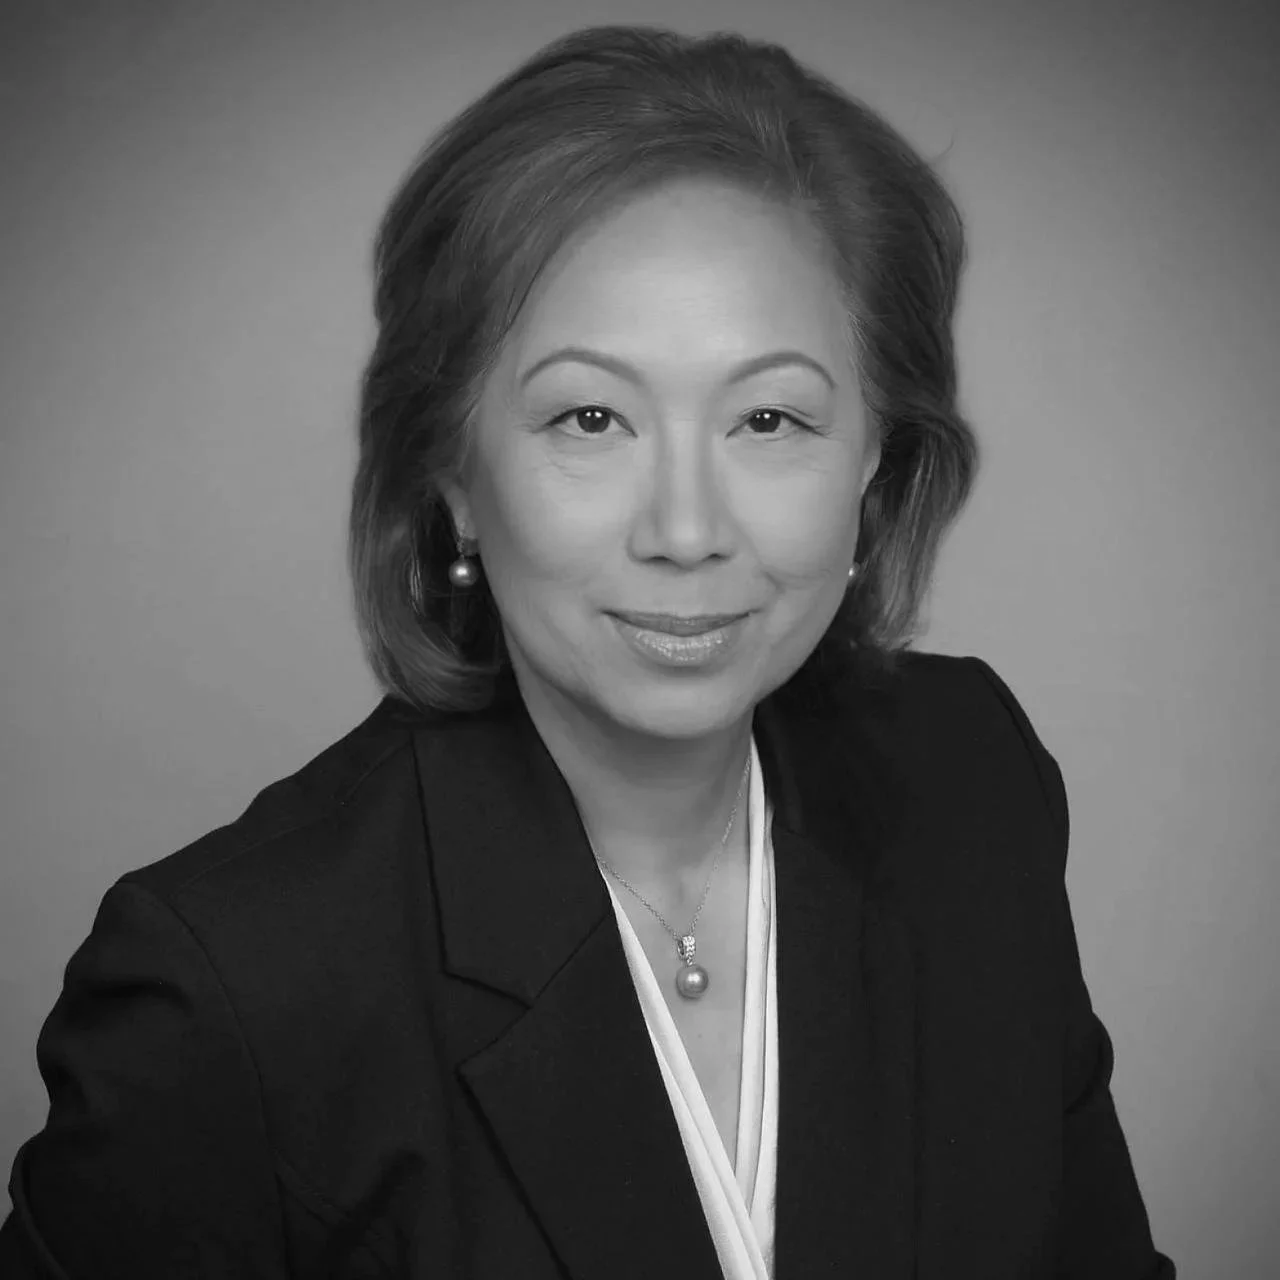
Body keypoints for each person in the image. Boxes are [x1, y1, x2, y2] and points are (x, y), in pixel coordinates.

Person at [0, 22, 1175, 1280]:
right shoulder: (229, 985)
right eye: (590, 416)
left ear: (875, 464)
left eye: (769, 417)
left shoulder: (967, 779)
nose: (684, 529)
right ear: (449, 469)